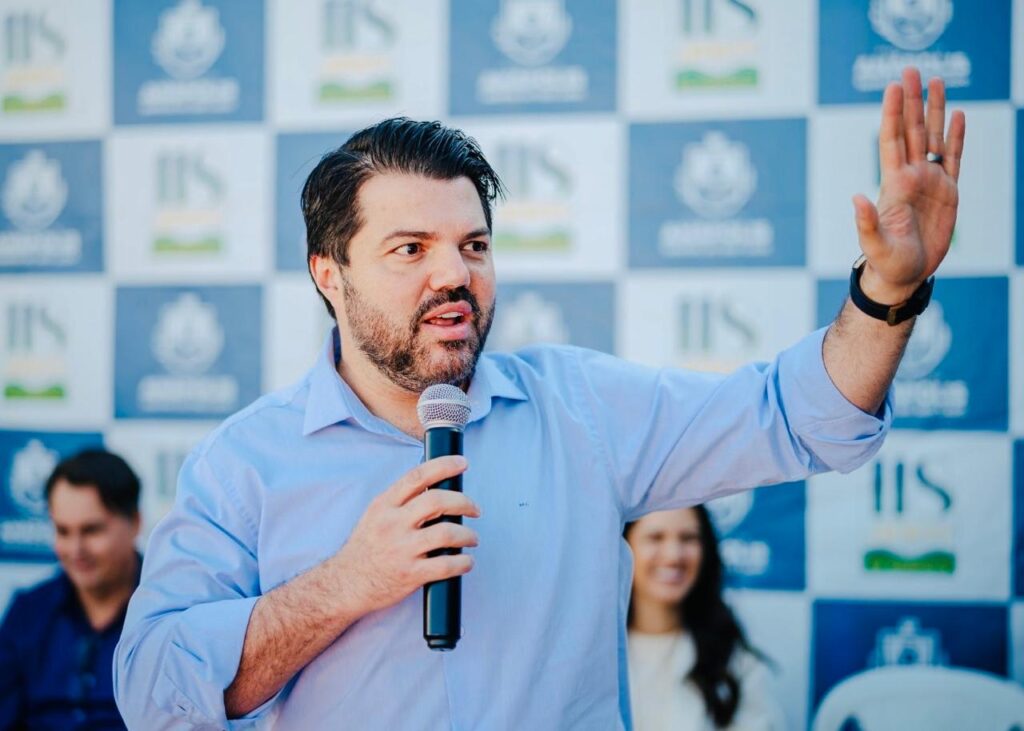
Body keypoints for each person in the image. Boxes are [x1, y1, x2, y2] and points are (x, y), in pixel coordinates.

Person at [114, 67, 964, 729]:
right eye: (411, 249)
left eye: (474, 245)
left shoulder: (582, 408)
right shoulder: (242, 463)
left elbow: (798, 417)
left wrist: (886, 293)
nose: (454, 274)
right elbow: (153, 693)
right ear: (329, 276)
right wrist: (347, 582)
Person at [0, 449, 142, 730]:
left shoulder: (173, 613)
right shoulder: (28, 612)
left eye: (91, 530)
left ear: (135, 523)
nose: (76, 550)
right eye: (63, 531)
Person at [625, 506, 785, 731]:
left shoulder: (734, 660)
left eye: (688, 538)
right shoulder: (593, 654)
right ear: (623, 547)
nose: (673, 556)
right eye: (655, 537)